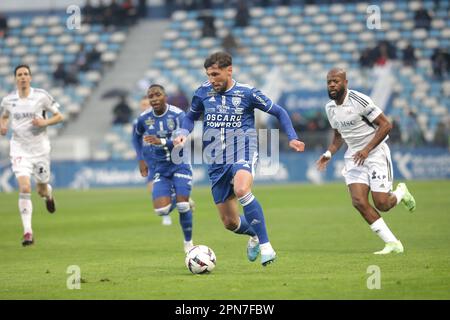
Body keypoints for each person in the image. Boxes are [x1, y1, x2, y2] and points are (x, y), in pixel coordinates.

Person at [173, 52, 305, 266]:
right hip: (215, 159)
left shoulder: (247, 93)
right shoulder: (202, 92)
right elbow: (190, 117)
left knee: (242, 189)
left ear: (229, 70)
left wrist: (292, 137)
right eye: (208, 75)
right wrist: (182, 132)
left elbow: (279, 112)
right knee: (230, 222)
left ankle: (266, 247)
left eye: (215, 74)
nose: (211, 79)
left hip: (242, 149)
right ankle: (253, 234)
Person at [316, 68, 416, 255]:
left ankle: (401, 192)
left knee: (382, 204)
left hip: (376, 153)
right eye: (329, 81)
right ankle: (393, 243)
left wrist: (367, 149)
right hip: (355, 156)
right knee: (358, 201)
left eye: (336, 81)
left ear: (345, 83)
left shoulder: (359, 100)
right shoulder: (329, 108)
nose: (332, 85)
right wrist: (329, 153)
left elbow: (386, 124)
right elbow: (339, 136)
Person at [0, 65, 64, 246]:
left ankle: (49, 195)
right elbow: (4, 116)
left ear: (30, 78)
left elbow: (59, 116)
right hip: (19, 148)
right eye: (19, 75)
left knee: (41, 189)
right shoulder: (8, 100)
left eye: (25, 74)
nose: (22, 77)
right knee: (25, 187)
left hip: (40, 150)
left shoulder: (41, 96)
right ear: (15, 79)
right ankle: (28, 232)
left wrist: (45, 121)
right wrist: (3, 125)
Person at [132, 85, 194, 253]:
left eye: (157, 95)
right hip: (160, 167)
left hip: (179, 163)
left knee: (182, 207)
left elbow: (181, 140)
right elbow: (135, 136)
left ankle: (188, 243)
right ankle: (181, 198)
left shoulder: (178, 115)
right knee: (161, 210)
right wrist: (140, 159)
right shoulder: (144, 118)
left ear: (165, 96)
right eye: (150, 96)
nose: (154, 98)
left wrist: (161, 142)